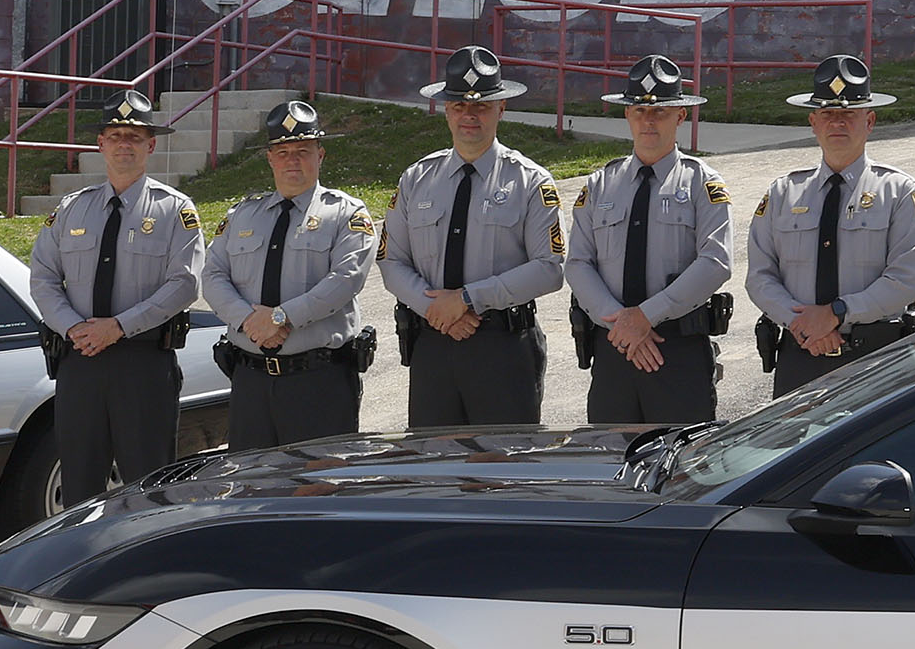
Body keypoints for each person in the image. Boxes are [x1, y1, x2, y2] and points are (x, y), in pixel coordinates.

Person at [25, 85, 199, 506]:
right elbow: (43, 278)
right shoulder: (70, 209)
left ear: (151, 145)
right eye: (116, 136)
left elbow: (185, 284)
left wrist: (118, 327)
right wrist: (74, 329)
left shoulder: (175, 210)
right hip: (80, 364)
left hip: (141, 367)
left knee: (149, 487)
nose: (125, 144)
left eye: (135, 137)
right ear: (100, 143)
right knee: (79, 486)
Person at [379, 45, 566, 427]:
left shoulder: (529, 181)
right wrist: (435, 308)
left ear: (501, 109)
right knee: (434, 470)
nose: (469, 115)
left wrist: (467, 300)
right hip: (432, 345)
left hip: (503, 349)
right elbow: (391, 260)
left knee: (504, 470)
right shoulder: (417, 179)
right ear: (446, 109)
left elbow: (549, 269)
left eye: (481, 106)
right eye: (459, 106)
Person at [743, 54, 915, 394]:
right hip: (800, 355)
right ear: (814, 122)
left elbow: (906, 280)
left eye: (848, 114)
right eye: (828, 114)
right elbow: (760, 276)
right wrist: (802, 324)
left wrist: (836, 313)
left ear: (870, 121)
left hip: (878, 359)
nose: (837, 123)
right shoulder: (783, 193)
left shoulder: (900, 192)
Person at [563, 54, 735, 427]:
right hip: (615, 351)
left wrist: (646, 317)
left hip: (677, 351)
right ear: (627, 115)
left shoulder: (702, 184)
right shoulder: (600, 184)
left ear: (681, 116)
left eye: (660, 111)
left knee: (685, 472)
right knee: (612, 465)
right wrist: (622, 326)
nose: (648, 119)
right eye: (639, 111)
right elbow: (578, 263)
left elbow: (716, 262)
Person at [198, 98, 380, 446]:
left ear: (320, 155)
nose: (292, 160)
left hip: (319, 382)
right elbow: (213, 275)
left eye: (303, 150)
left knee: (318, 489)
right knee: (252, 487)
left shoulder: (345, 213)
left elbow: (346, 279)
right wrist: (249, 320)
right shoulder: (242, 215)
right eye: (282, 152)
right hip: (250, 382)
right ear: (269, 158)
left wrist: (281, 318)